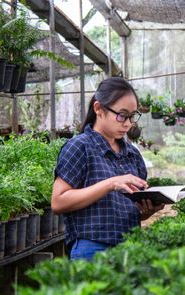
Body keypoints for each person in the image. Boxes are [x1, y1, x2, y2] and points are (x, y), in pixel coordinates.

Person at [51, 77, 164, 260]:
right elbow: (58, 202)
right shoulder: (80, 147)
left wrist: (147, 210)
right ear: (98, 109)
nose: (127, 123)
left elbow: (131, 212)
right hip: (92, 249)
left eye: (132, 116)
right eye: (121, 115)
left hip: (130, 248)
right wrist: (111, 183)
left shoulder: (132, 155)